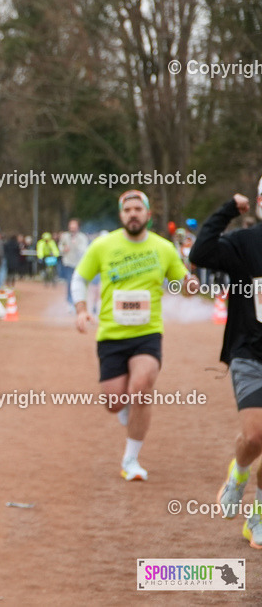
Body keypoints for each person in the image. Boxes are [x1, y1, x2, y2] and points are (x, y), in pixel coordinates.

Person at [72, 190, 192, 481]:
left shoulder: (163, 248)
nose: (133, 214)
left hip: (147, 333)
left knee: (141, 387)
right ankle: (127, 408)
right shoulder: (103, 245)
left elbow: (182, 281)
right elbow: (80, 277)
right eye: (128, 210)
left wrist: (189, 284)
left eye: (139, 209)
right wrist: (81, 309)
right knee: (114, 402)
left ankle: (131, 460)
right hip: (111, 334)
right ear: (121, 215)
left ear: (148, 215)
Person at [188, 186, 262, 547]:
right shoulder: (245, 243)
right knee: (255, 436)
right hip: (249, 350)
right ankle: (238, 475)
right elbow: (200, 253)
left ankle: (259, 517)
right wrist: (227, 210)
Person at [58, 219, 89, 307]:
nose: (72, 229)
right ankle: (70, 301)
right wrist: (63, 249)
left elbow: (84, 250)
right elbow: (60, 246)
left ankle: (79, 300)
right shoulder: (65, 236)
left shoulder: (82, 237)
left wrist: (76, 245)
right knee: (69, 282)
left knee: (79, 282)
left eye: (74, 227)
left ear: (78, 228)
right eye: (71, 227)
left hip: (79, 264)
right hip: (68, 263)